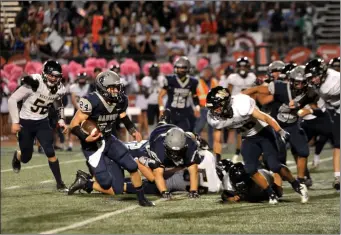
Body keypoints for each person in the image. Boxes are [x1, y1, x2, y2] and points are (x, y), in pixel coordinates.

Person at [206, 86, 309, 204]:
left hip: (264, 133)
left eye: (217, 107)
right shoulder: (215, 119)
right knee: (250, 169)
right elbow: (217, 140)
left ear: (226, 103)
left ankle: (297, 185)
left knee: (274, 166)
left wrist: (280, 131)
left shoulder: (241, 105)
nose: (215, 111)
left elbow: (265, 117)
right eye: (213, 108)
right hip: (248, 138)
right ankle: (270, 193)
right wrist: (217, 159)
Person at [68, 70, 154, 206]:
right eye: (112, 88)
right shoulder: (92, 101)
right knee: (106, 183)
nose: (116, 91)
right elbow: (73, 125)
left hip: (108, 139)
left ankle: (142, 199)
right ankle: (87, 176)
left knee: (129, 170)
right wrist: (85, 137)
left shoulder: (120, 100)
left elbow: (123, 116)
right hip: (92, 146)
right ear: (103, 88)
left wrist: (133, 130)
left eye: (117, 87)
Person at [8, 60, 68, 192]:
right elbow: (12, 99)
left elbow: (58, 103)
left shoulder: (60, 88)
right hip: (26, 122)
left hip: (42, 122)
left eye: (56, 76)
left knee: (50, 151)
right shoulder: (35, 82)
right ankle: (18, 155)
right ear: (44, 73)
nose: (53, 78)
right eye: (51, 75)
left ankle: (60, 183)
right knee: (26, 158)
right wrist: (15, 121)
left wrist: (62, 120)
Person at [304, 58, 340, 191]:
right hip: (336, 111)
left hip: (335, 109)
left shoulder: (335, 79)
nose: (312, 80)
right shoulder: (320, 84)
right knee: (338, 144)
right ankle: (337, 177)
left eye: (314, 77)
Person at [158, 56, 200, 132]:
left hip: (184, 113)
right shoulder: (170, 79)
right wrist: (161, 109)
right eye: (178, 67)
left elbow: (194, 95)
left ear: (187, 68)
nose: (180, 70)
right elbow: (160, 96)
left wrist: (197, 107)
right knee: (166, 134)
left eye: (182, 68)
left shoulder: (192, 81)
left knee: (185, 134)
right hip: (170, 111)